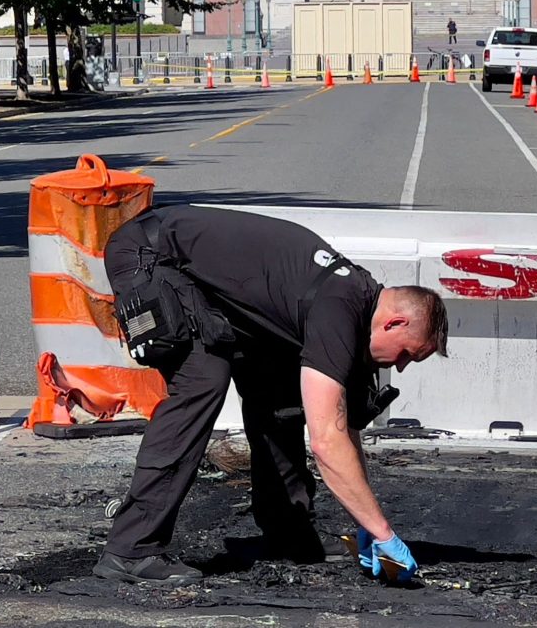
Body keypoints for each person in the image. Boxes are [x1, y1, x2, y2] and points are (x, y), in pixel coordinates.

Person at [93, 205, 449, 586]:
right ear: (395, 322)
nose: (400, 366)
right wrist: (383, 534)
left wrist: (364, 519)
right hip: (152, 255)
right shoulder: (340, 309)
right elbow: (327, 441)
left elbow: (344, 429)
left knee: (279, 392)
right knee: (203, 380)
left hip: (202, 278)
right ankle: (131, 548)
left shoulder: (355, 304)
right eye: (408, 354)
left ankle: (287, 530)